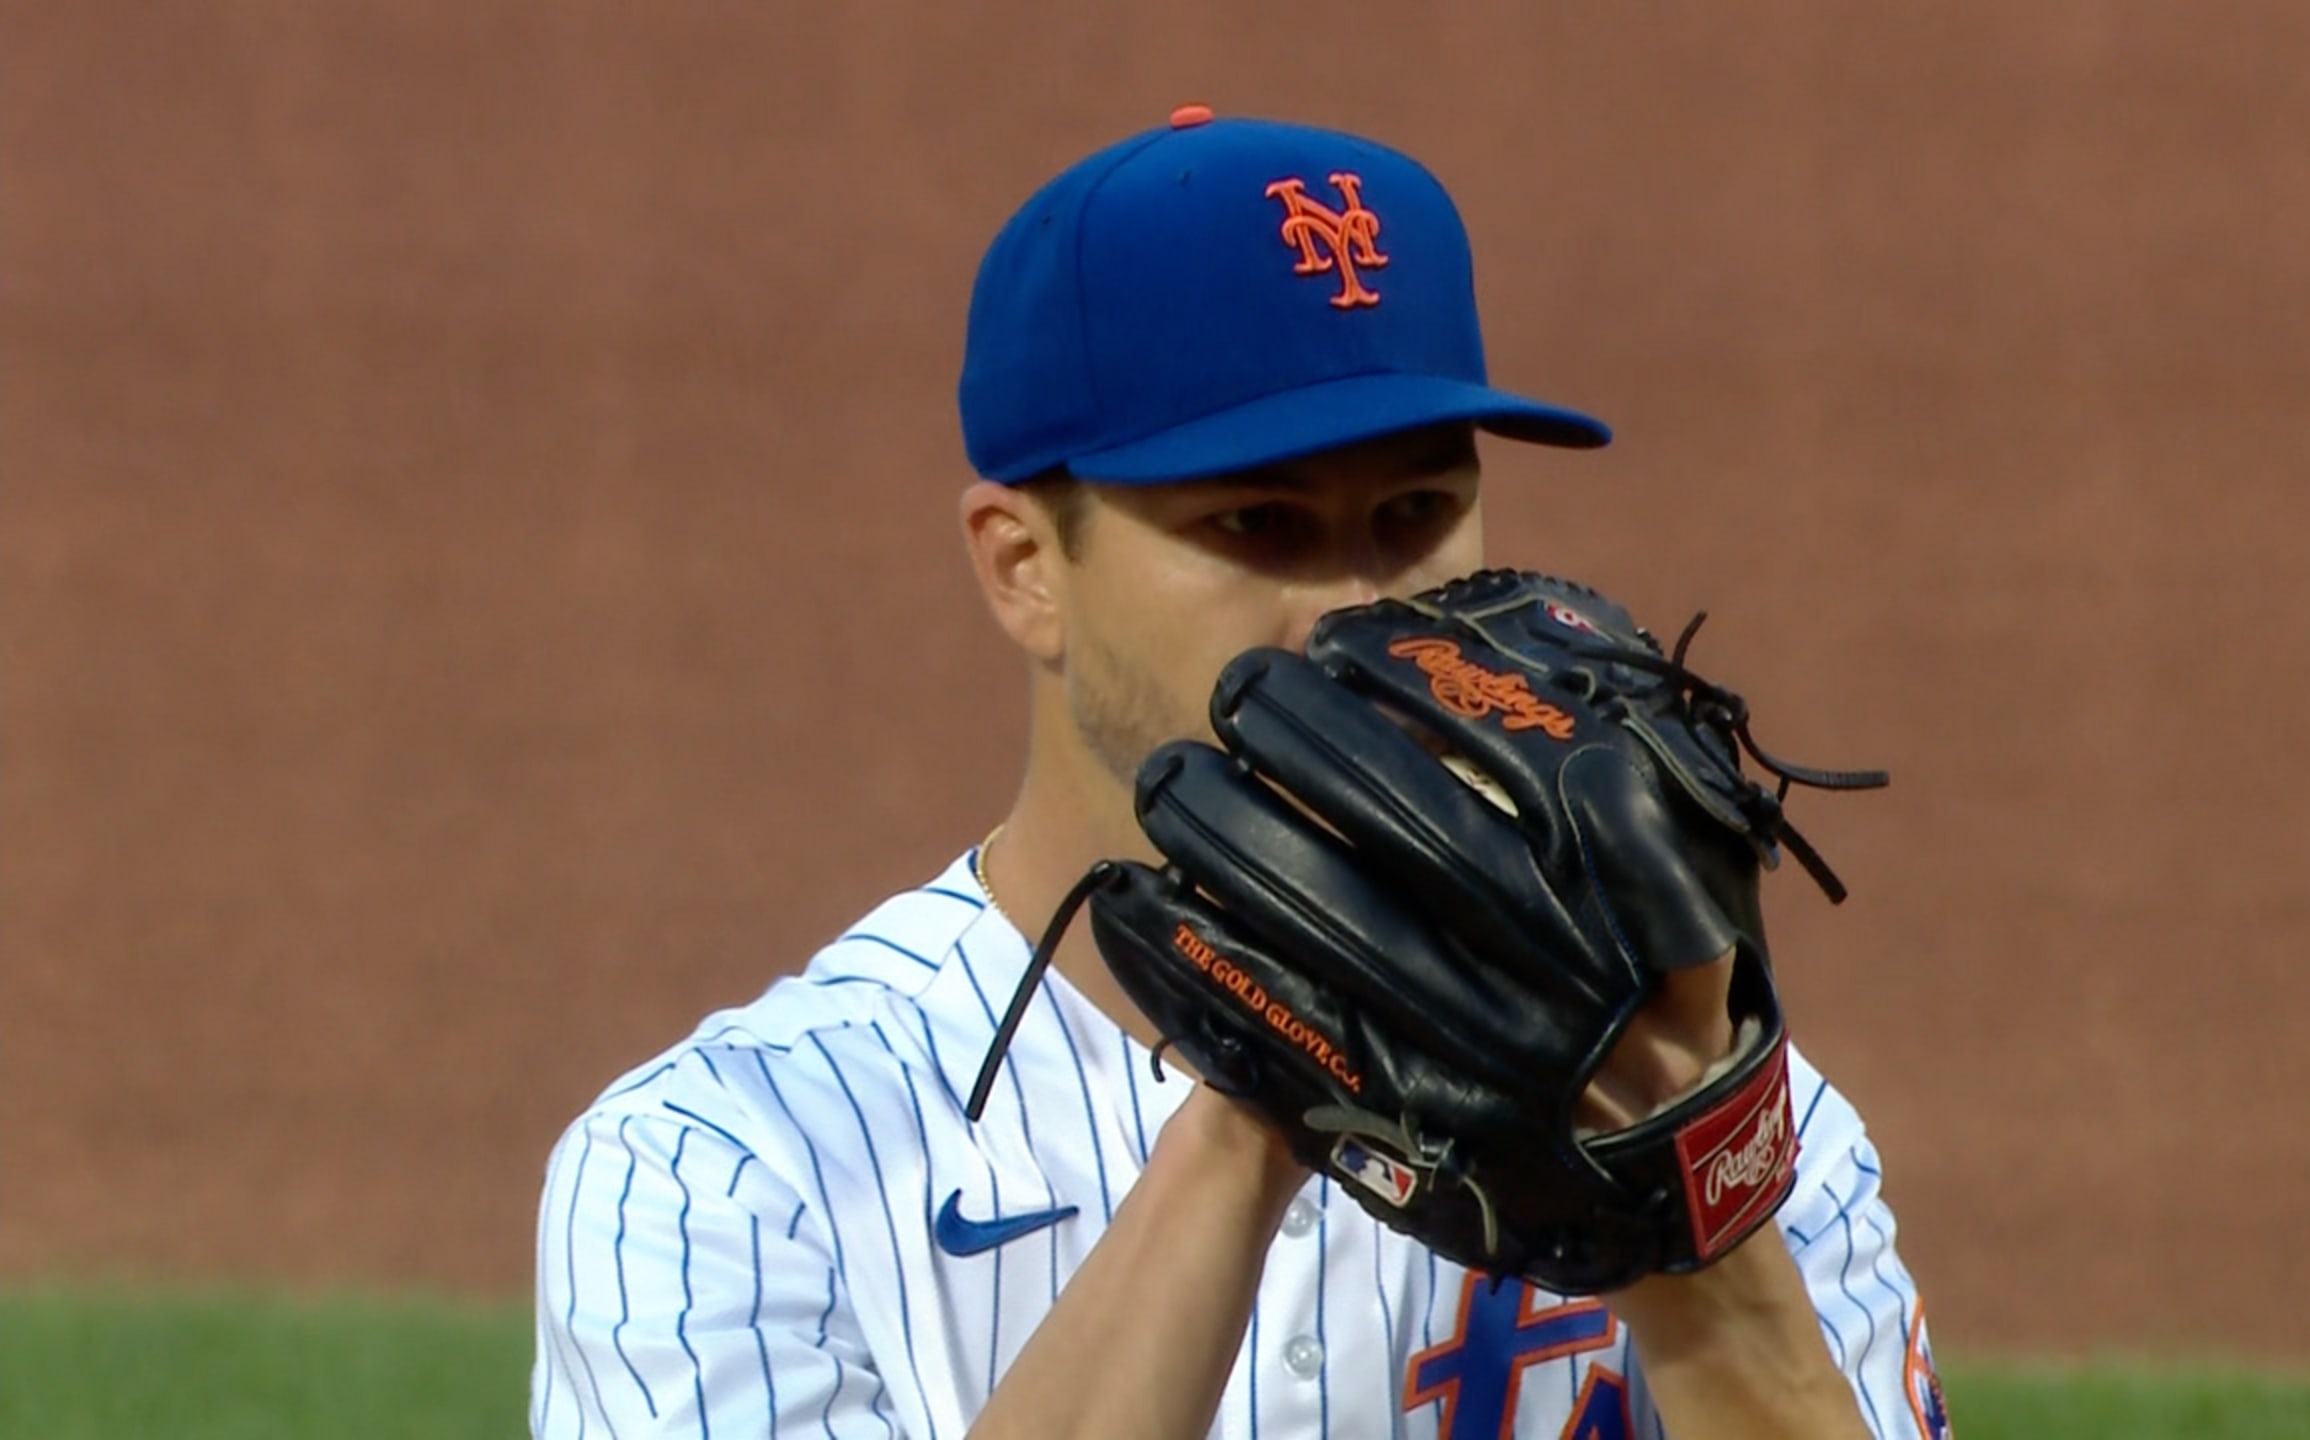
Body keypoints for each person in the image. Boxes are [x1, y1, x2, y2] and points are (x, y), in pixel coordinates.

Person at [532, 104, 1951, 1440]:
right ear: (1025, 570)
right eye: (1257, 525)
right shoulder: (722, 1173)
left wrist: (1685, 1200)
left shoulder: (1741, 1114)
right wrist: (1260, 1100)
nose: (1353, 613)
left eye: (1415, 513)